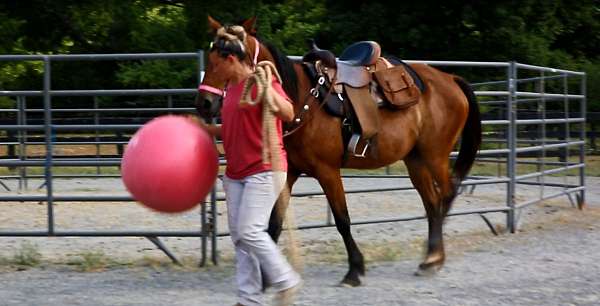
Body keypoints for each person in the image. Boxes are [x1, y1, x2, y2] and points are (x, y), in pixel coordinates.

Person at [198, 34, 301, 306]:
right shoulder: (231, 88)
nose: (213, 71)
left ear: (231, 59)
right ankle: (249, 299)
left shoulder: (262, 80)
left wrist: (269, 96)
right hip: (236, 174)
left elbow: (288, 113)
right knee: (241, 240)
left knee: (250, 231)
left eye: (216, 65)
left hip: (264, 169)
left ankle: (285, 279)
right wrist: (207, 130)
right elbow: (235, 126)